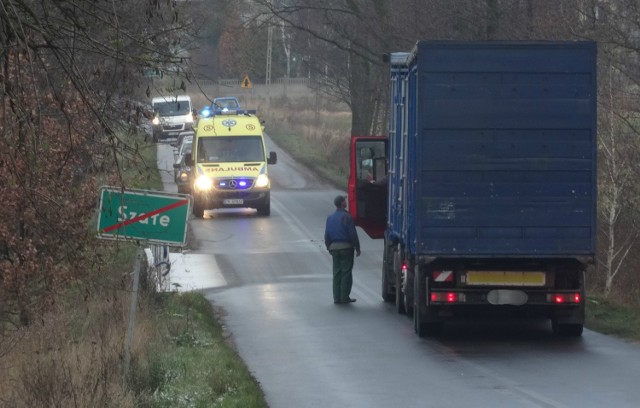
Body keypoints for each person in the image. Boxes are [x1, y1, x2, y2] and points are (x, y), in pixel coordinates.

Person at [324, 195, 361, 304]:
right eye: (344, 200)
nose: (346, 202)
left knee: (336, 272)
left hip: (334, 248)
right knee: (346, 272)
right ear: (342, 203)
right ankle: (344, 297)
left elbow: (327, 235)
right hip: (346, 248)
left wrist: (329, 247)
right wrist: (357, 248)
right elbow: (352, 234)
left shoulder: (330, 217)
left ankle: (336, 297)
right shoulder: (347, 217)